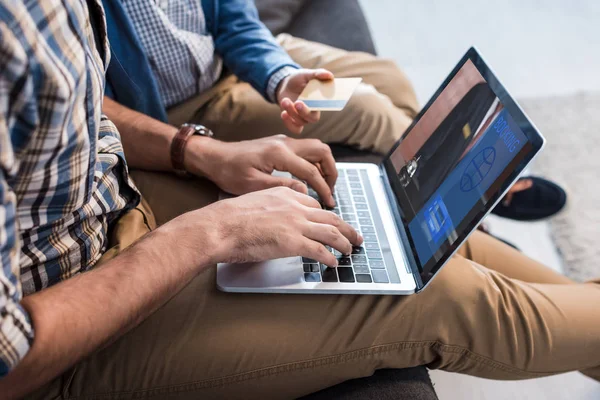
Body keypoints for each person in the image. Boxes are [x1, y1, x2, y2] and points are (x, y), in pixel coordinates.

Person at [3, 2, 599, 400]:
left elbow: (85, 107)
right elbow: (11, 356)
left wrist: (197, 152)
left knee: (398, 223)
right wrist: (206, 234)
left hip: (119, 201)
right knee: (433, 293)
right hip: (66, 330)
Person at [102, 0, 565, 222]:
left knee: (388, 77)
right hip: (183, 107)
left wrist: (280, 76)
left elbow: (234, 19)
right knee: (369, 109)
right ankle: (471, 198)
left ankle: (431, 190)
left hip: (235, 61)